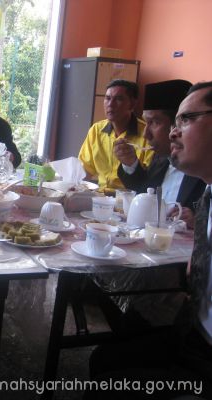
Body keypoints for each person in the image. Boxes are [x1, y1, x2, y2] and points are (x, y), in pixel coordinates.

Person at [84, 82, 212, 400]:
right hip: (191, 333)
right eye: (175, 121)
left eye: (187, 119)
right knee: (104, 357)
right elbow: (143, 188)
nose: (173, 132)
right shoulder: (200, 189)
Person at [116, 80, 206, 229]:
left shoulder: (203, 169)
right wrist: (131, 163)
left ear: (177, 126)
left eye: (155, 122)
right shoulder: (161, 158)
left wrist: (200, 221)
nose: (146, 135)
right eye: (146, 122)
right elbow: (143, 191)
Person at [78, 79, 154, 192]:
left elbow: (150, 180)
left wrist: (132, 162)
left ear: (132, 104)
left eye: (118, 99)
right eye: (108, 98)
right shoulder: (96, 130)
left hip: (129, 197)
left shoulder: (147, 134)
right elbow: (84, 170)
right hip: (99, 195)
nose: (110, 104)